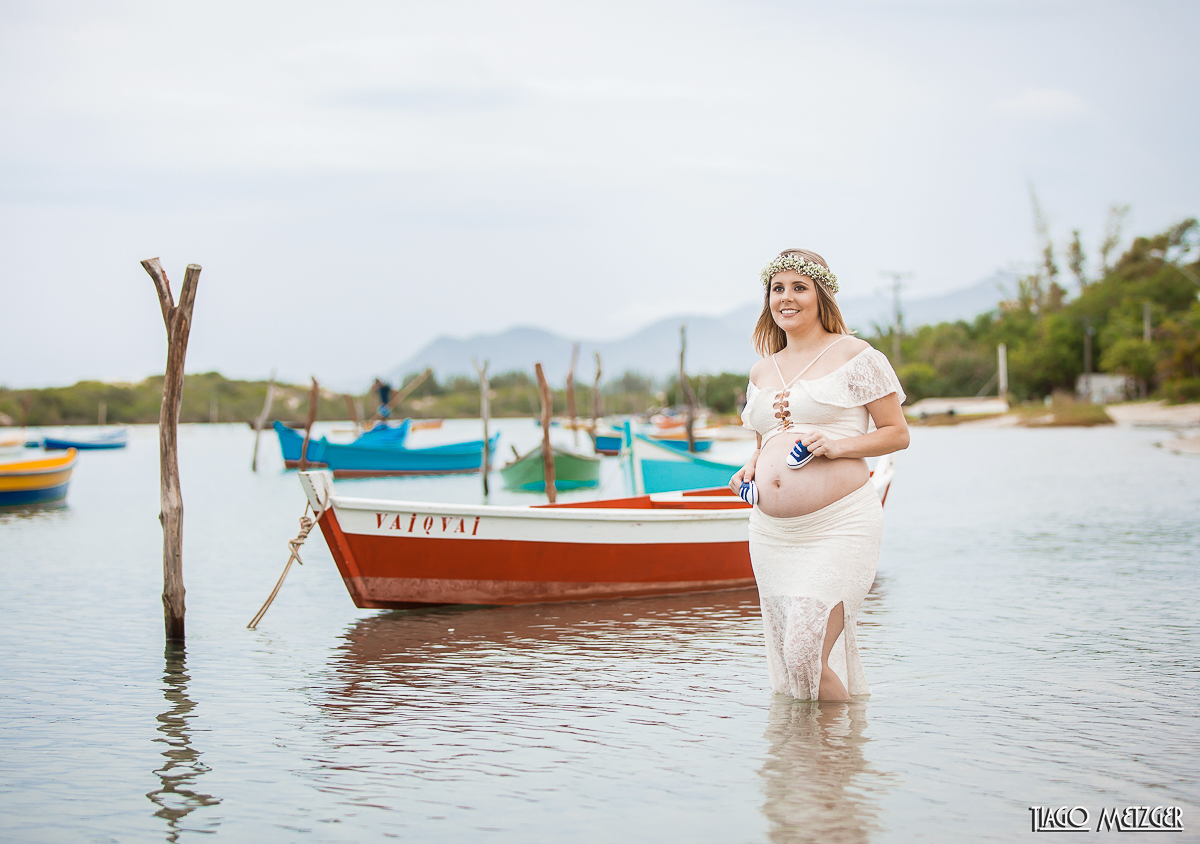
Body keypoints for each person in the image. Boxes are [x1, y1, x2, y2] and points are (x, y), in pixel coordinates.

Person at [729, 249, 909, 701]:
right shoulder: (761, 368)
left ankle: (840, 759)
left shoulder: (856, 355)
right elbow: (765, 440)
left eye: (799, 287)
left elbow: (897, 434)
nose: (786, 298)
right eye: (777, 289)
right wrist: (751, 467)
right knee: (793, 671)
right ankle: (807, 763)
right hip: (772, 535)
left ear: (820, 293)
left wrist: (840, 445)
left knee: (805, 652)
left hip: (838, 526)